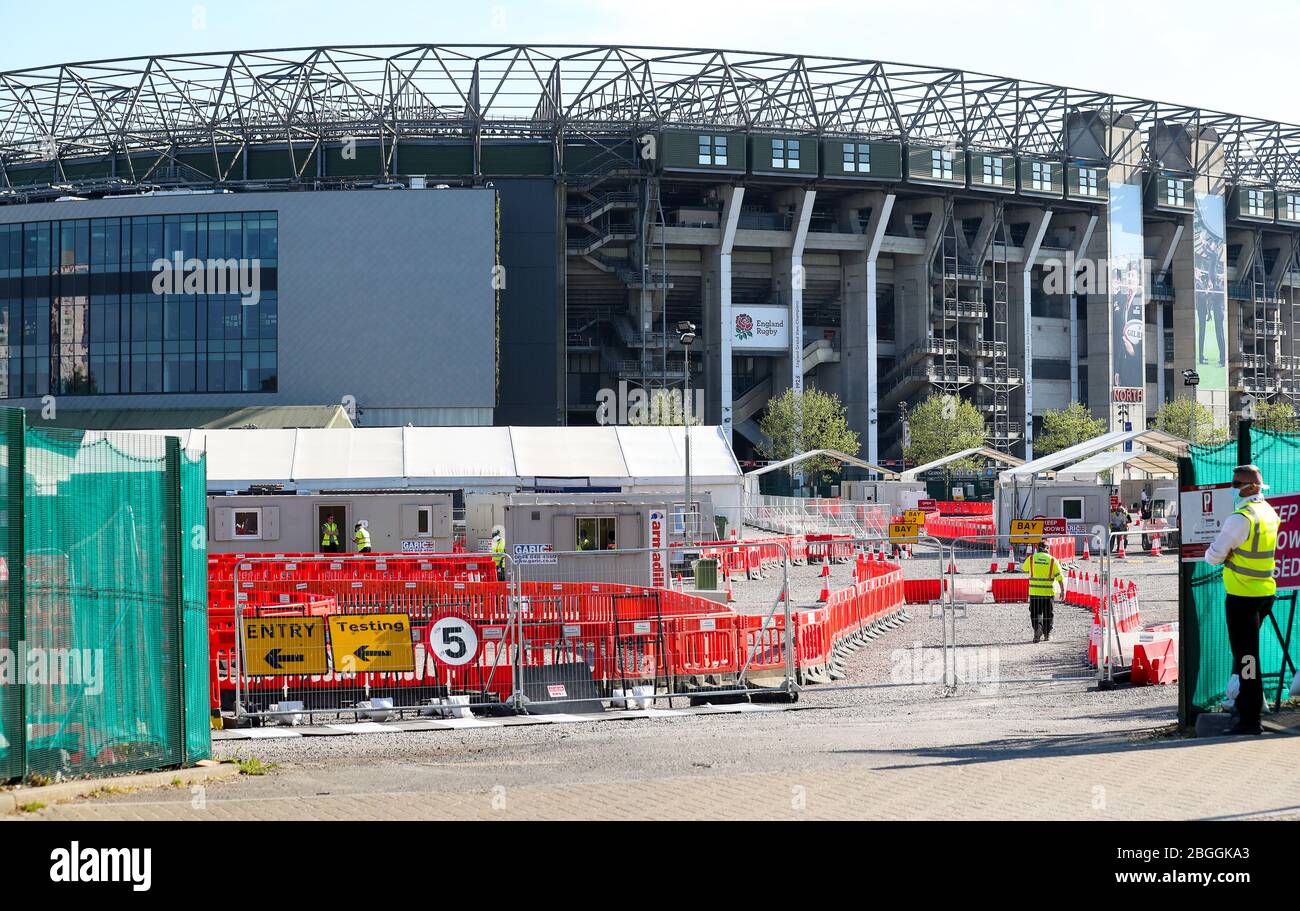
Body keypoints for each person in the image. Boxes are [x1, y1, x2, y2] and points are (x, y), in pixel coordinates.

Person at [1204, 464, 1279, 736]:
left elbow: (1213, 555)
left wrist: (1219, 554)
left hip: (1242, 597)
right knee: (1247, 656)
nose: (1234, 488)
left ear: (1249, 487)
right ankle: (1245, 707)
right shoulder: (1269, 513)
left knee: (1247, 658)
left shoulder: (1241, 518)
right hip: (1265, 592)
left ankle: (1249, 719)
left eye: (1236, 484)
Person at [1021, 539, 1065, 644]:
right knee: (1048, 614)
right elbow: (1059, 577)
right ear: (1047, 549)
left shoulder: (1031, 558)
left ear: (1037, 548)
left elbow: (1024, 568)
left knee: (1035, 613)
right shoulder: (1053, 560)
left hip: (1034, 592)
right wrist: (1062, 590)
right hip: (1048, 593)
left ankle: (1037, 630)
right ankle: (1047, 634)